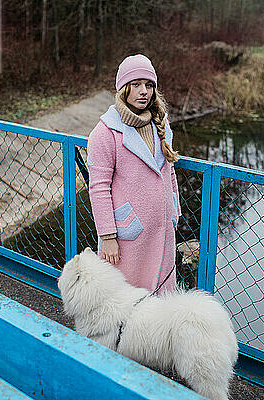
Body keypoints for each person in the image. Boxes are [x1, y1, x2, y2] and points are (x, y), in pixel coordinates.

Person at [87, 54, 181, 294]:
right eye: (136, 85)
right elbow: (98, 187)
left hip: (162, 227)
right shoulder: (105, 132)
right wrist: (107, 236)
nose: (144, 92)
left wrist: (174, 211)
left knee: (161, 300)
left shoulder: (161, 124)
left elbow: (169, 173)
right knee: (127, 300)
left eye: (149, 85)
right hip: (128, 233)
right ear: (123, 89)